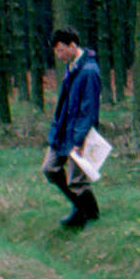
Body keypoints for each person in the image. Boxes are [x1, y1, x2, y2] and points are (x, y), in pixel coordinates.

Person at [44, 28, 103, 228]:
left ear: (72, 45)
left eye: (61, 51)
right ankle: (79, 208)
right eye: (56, 52)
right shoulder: (72, 67)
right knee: (50, 169)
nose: (59, 56)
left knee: (78, 180)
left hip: (79, 134)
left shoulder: (88, 71)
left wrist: (79, 140)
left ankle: (90, 216)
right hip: (62, 131)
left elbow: (89, 111)